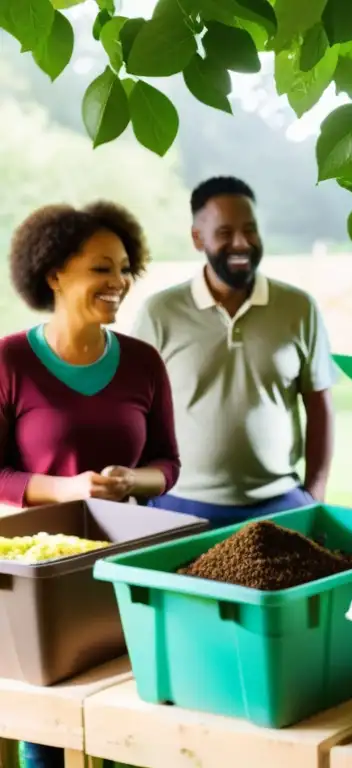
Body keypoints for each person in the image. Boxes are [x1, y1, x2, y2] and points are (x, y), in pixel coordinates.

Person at [0, 202, 180, 768]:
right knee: (46, 726)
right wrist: (68, 490)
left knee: (133, 715)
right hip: (41, 571)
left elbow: (169, 463)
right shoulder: (9, 361)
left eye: (125, 268)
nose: (119, 283)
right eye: (101, 268)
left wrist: (134, 480)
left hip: (131, 560)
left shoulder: (144, 362)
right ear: (54, 273)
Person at [132, 176, 338, 527]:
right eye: (225, 233)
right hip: (178, 505)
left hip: (280, 504)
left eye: (250, 230)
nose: (241, 243)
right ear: (198, 239)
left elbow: (319, 404)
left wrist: (315, 493)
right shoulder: (159, 313)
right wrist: (137, 499)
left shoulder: (299, 308)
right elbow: (134, 410)